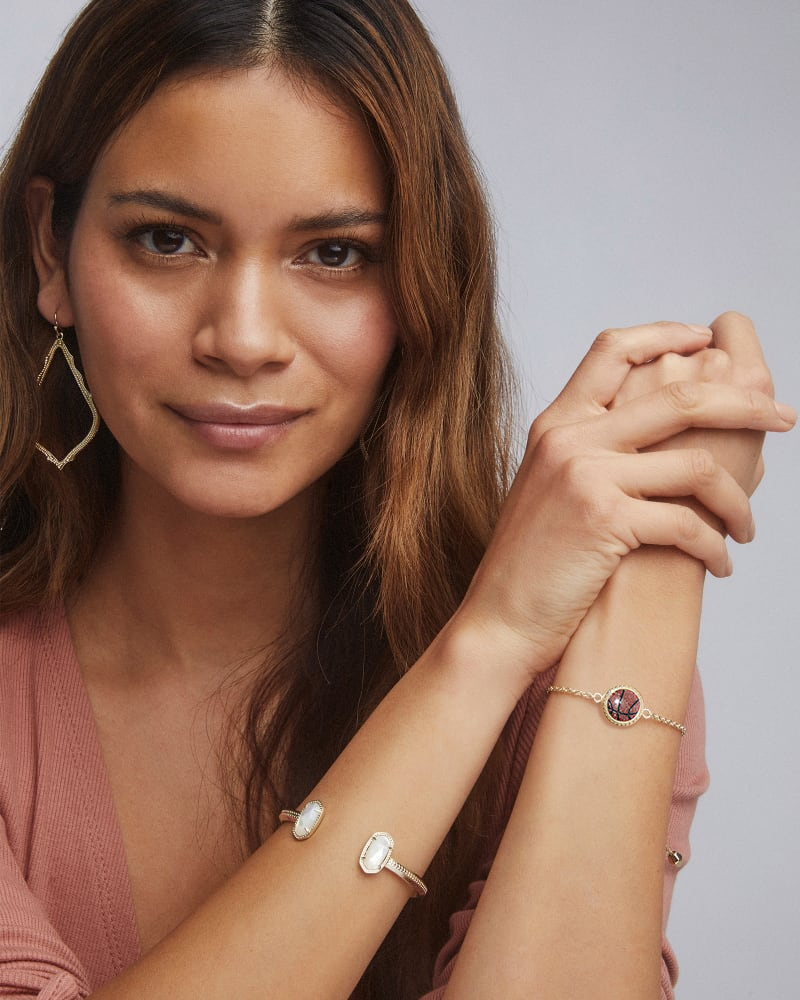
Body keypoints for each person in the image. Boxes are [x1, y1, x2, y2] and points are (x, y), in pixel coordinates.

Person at [0, 1, 794, 997]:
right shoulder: (515, 638)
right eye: (167, 239)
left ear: (420, 281)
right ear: (51, 252)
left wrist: (656, 558)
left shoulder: (572, 671)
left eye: (333, 253)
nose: (243, 338)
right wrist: (484, 647)